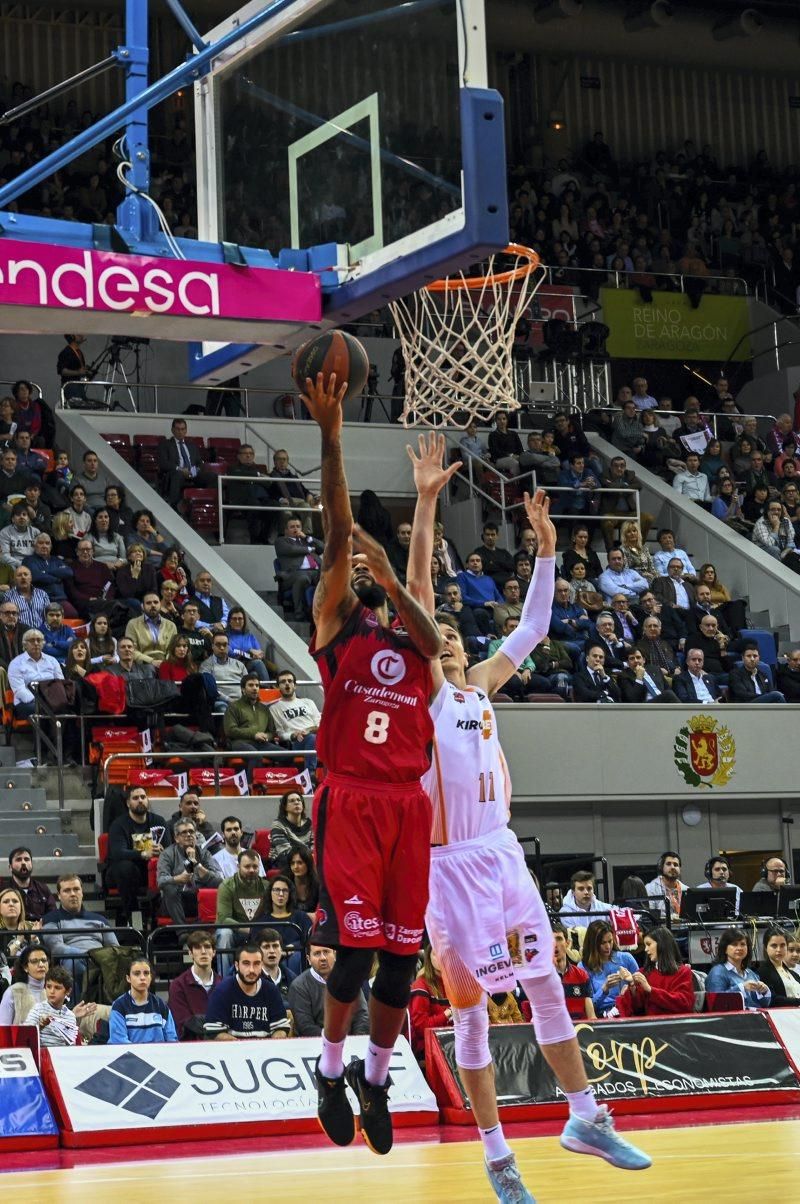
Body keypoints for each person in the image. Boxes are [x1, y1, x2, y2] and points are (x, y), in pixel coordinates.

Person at [406, 441, 650, 1194]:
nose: (446, 634)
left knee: (545, 980)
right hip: (448, 873)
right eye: (435, 631)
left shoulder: (478, 688)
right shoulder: (427, 696)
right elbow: (416, 589)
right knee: (474, 1014)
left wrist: (545, 554)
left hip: (501, 855)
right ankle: (497, 1156)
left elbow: (535, 630)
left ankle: (584, 1115)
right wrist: (423, 502)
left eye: (452, 631)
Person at [302, 372, 443, 1158]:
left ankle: (377, 1078)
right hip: (351, 799)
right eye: (353, 569)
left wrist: (403, 557)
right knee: (353, 951)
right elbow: (333, 529)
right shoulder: (340, 626)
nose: (356, 566)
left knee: (399, 963)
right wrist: (331, 433)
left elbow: (422, 610)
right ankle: (327, 1070)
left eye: (367, 567)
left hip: (407, 808)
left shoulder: (417, 643)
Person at [41, 875, 118, 996]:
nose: (72, 894)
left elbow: (114, 947)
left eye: (76, 889)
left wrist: (98, 958)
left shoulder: (100, 919)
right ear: (59, 896)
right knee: (73, 962)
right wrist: (86, 955)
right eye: (67, 890)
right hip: (73, 962)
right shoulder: (51, 919)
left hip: (99, 962)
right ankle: (74, 1009)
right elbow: (56, 948)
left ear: (82, 892)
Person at [106, 786, 168, 925]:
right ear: (128, 803)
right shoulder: (118, 825)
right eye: (135, 798)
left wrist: (162, 851)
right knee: (125, 868)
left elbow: (170, 849)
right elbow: (118, 853)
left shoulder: (159, 821)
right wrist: (144, 853)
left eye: (143, 797)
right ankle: (135, 919)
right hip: (123, 873)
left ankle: (161, 917)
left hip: (153, 871)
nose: (140, 801)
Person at [203, 943, 290, 1039]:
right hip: (232, 1051)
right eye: (246, 963)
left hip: (265, 1050)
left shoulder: (271, 990)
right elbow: (214, 1031)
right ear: (236, 965)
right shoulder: (222, 991)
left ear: (261, 965)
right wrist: (243, 1048)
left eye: (256, 964)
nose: (251, 970)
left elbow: (280, 1028)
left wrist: (273, 1044)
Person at [289, 937, 370, 1038]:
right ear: (309, 960)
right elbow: (305, 1027)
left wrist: (356, 1039)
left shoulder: (349, 980)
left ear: (335, 954)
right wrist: (334, 1042)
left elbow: (362, 1015)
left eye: (326, 952)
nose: (323, 958)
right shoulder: (299, 986)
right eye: (317, 953)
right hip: (313, 1044)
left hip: (351, 1043)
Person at [156, 818, 222, 927]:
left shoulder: (204, 854)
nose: (189, 835)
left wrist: (197, 865)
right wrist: (178, 878)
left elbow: (219, 881)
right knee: (169, 888)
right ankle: (182, 931)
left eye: (191, 832)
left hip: (197, 898)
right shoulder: (167, 854)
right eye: (184, 832)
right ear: (176, 838)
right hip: (177, 900)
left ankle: (203, 928)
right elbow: (161, 880)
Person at [614, 928, 694, 1016]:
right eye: (645, 946)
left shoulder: (683, 972)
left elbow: (684, 1004)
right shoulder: (643, 973)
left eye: (649, 944)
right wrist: (632, 985)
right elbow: (637, 1008)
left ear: (662, 944)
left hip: (676, 1026)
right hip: (649, 1027)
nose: (645, 949)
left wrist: (650, 990)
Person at [215, 850, 270, 962]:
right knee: (224, 933)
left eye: (255, 867)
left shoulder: (266, 886)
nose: (251, 870)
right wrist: (249, 929)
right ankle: (225, 977)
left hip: (258, 932)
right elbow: (223, 919)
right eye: (247, 866)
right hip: (235, 932)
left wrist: (257, 930)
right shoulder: (227, 886)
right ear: (238, 866)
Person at [109, 958, 178, 1044]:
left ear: (151, 977)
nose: (142, 978)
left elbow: (172, 1039)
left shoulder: (161, 1005)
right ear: (128, 978)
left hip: (158, 1056)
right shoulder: (119, 1006)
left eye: (146, 973)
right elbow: (119, 1041)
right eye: (137, 974)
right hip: (130, 1057)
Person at [168, 930, 221, 1039]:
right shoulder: (178, 985)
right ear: (190, 953)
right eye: (197, 947)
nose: (203, 951)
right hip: (191, 1049)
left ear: (214, 952)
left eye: (207, 947)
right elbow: (183, 1025)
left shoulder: (224, 985)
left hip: (221, 1048)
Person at [579, 920, 639, 1017]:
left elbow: (642, 996)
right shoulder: (583, 967)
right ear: (593, 944)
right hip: (601, 1016)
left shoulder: (626, 958)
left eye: (610, 941)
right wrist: (604, 989)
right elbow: (587, 1008)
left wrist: (632, 984)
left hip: (627, 1012)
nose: (608, 946)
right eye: (603, 943)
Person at [25, 965, 93, 1047]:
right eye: (48, 987)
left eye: (57, 988)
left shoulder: (70, 1016)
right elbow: (25, 1037)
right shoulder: (37, 1009)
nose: (52, 991)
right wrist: (40, 1025)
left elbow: (71, 1046)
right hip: (43, 1055)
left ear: (68, 991)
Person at [408, 944, 453, 1062]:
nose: (440, 958)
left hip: (453, 1044)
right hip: (429, 1049)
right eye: (435, 954)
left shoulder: (455, 984)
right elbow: (421, 1028)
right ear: (429, 957)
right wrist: (448, 1013)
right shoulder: (421, 985)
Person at [158, 417, 215, 509]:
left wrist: (195, 470)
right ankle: (174, 505)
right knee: (177, 475)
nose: (180, 432)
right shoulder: (165, 444)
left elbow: (199, 463)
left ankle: (208, 504)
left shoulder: (192, 446)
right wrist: (180, 469)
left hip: (193, 473)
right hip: (177, 473)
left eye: (183, 429)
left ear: (186, 431)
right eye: (178, 429)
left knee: (212, 476)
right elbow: (163, 463)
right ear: (172, 430)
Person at [705, 928, 771, 1008]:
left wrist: (765, 991)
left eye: (743, 944)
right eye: (734, 944)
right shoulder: (717, 972)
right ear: (725, 949)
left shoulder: (751, 974)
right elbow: (716, 1003)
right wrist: (742, 988)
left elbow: (764, 1005)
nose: (739, 948)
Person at [269, 670, 322, 768]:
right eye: (283, 682)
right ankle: (310, 774)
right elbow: (280, 734)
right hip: (297, 741)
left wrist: (309, 730)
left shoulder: (308, 702)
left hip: (316, 735)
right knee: (311, 738)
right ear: (278, 687)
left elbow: (320, 724)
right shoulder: (274, 708)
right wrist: (293, 735)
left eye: (290, 681)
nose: (287, 684)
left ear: (295, 685)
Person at [275, 515, 324, 619]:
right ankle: (299, 612)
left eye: (298, 526)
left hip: (316, 571)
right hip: (293, 574)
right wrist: (310, 549)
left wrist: (307, 538)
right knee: (303, 577)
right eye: (292, 527)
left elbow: (322, 548)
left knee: (330, 577)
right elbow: (292, 550)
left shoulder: (306, 540)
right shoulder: (281, 541)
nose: (296, 529)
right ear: (286, 530)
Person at [223, 673, 282, 760]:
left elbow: (272, 732)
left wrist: (266, 736)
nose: (255, 688)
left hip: (261, 743)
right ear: (243, 689)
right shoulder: (233, 706)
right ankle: (250, 774)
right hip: (240, 742)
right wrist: (254, 735)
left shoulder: (264, 708)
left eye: (257, 685)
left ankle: (277, 774)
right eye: (251, 685)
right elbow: (230, 731)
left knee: (288, 756)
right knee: (256, 757)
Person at [8, 628, 63, 718]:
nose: (36, 643)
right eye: (32, 640)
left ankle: (63, 732)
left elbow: (60, 683)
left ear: (43, 643)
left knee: (68, 707)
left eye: (39, 640)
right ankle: (47, 732)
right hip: (26, 703)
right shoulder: (15, 663)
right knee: (42, 709)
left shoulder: (52, 661)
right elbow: (19, 690)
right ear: (24, 644)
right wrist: (41, 701)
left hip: (52, 700)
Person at [0, 847, 56, 922]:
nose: (23, 863)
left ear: (31, 864)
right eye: (18, 859)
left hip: (40, 931)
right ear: (10, 867)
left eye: (27, 859)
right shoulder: (2, 889)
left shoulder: (43, 888)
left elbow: (53, 915)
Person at [552, 925, 595, 1020]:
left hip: (581, 1030)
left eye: (559, 939)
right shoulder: (542, 978)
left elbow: (591, 1016)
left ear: (567, 943)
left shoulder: (582, 975)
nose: (555, 944)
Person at [124, 593, 177, 665]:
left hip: (166, 664)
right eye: (148, 603)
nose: (153, 605)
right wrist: (151, 661)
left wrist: (165, 664)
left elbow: (173, 650)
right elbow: (131, 650)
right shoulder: (133, 624)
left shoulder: (171, 625)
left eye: (156, 602)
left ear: (160, 604)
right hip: (142, 664)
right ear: (142, 606)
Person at [200, 632, 247, 710]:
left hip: (241, 700)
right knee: (222, 708)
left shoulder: (239, 664)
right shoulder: (206, 665)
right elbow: (210, 690)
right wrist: (230, 700)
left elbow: (248, 684)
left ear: (228, 646)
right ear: (212, 646)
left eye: (225, 645)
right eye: (218, 645)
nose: (222, 648)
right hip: (221, 701)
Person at [269, 790, 314, 868]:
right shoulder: (278, 825)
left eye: (298, 800)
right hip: (284, 862)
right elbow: (285, 852)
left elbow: (315, 849)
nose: (296, 802)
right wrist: (307, 854)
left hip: (307, 861)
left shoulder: (311, 825)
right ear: (285, 807)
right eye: (292, 801)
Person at [757, 927, 800, 1006]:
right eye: (774, 946)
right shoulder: (763, 972)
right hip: (781, 1016)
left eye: (782, 945)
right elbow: (773, 999)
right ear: (766, 947)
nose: (779, 950)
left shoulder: (793, 974)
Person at [645, 852, 688, 922]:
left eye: (676, 865)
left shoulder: (686, 889)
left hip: (683, 929)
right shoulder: (650, 888)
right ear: (661, 867)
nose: (672, 867)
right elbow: (650, 915)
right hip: (660, 929)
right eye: (668, 864)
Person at [288, 848, 320, 913]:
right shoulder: (285, 883)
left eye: (300, 863)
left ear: (308, 864)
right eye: (292, 863)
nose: (295, 867)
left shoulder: (318, 885)